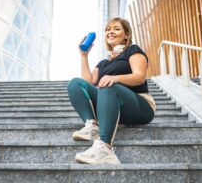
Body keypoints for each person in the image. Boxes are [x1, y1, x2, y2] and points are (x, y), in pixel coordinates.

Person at [67, 17, 156, 164]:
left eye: (116, 28)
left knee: (108, 84)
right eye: (108, 29)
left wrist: (115, 78)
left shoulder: (133, 50)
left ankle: (105, 148)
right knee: (75, 84)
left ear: (126, 34)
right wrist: (84, 56)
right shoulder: (103, 63)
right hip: (112, 105)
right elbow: (88, 82)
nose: (110, 32)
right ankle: (92, 126)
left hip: (140, 106)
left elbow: (139, 77)